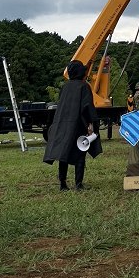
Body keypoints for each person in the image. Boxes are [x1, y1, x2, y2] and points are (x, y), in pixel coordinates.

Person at [43, 60, 102, 190]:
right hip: (78, 125)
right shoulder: (83, 86)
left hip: (63, 124)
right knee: (80, 153)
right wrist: (91, 124)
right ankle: (78, 184)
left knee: (64, 153)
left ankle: (63, 184)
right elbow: (87, 106)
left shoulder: (65, 87)